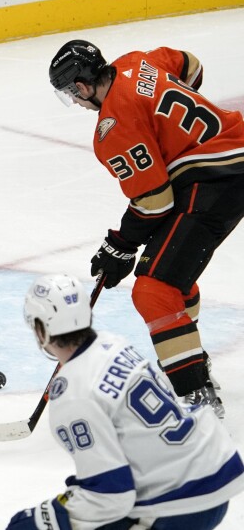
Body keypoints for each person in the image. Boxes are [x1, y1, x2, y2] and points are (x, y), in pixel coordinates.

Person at [47, 40, 244, 416]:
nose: (75, 102)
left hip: (215, 181)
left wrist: (119, 244)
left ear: (83, 86)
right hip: (230, 155)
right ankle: (190, 360)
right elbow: (192, 65)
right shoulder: (138, 62)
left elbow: (155, 202)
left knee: (154, 289)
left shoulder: (113, 126)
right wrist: (172, 127)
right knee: (172, 272)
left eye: (72, 93)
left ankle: (197, 397)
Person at [6, 273, 244, 530]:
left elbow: (110, 496)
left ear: (41, 331)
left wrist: (47, 518)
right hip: (212, 464)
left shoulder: (72, 396)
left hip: (183, 500)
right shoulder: (113, 343)